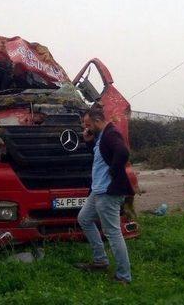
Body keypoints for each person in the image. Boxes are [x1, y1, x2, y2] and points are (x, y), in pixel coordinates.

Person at [75, 105, 135, 284]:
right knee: (84, 218)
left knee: (113, 233)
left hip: (108, 192)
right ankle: (100, 260)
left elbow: (123, 152)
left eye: (88, 124)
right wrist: (89, 142)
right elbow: (102, 157)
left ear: (98, 121)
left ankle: (124, 277)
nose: (86, 128)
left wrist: (113, 174)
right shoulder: (101, 136)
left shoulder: (111, 134)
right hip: (98, 191)